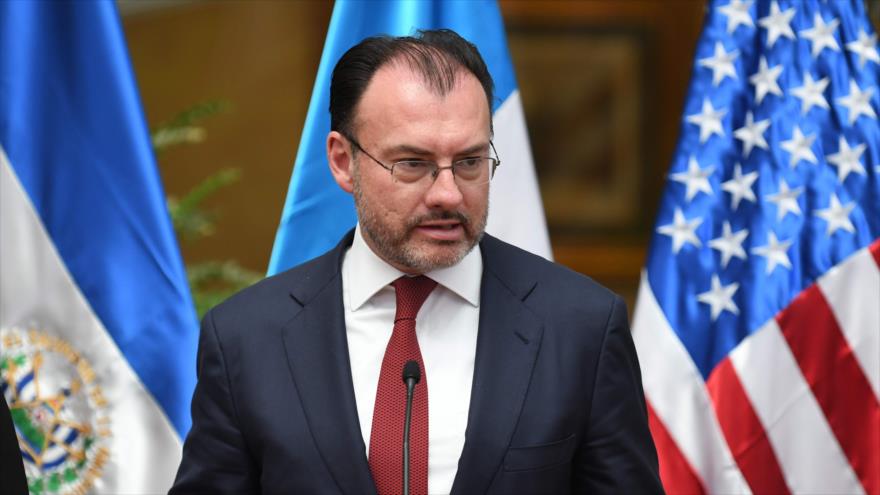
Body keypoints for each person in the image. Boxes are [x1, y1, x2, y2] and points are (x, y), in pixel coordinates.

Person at [171, 29, 662, 494]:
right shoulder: (246, 338)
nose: (448, 193)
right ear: (343, 161)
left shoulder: (580, 327)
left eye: (469, 162)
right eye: (413, 164)